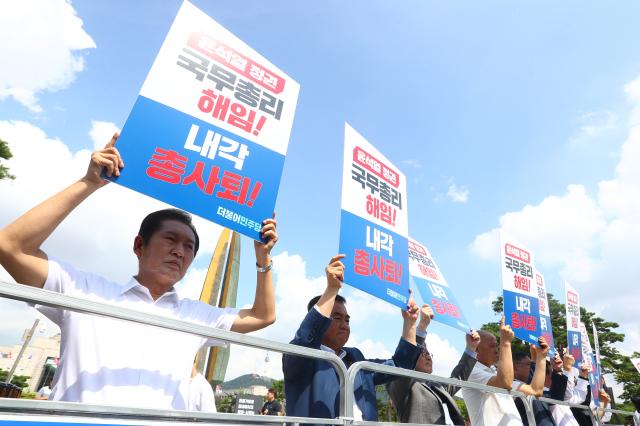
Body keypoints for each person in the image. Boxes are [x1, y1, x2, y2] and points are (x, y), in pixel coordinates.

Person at [0, 134, 279, 410]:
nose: (180, 251)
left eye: (189, 247)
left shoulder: (197, 316)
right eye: (170, 239)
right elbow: (11, 247)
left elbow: (262, 316)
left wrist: (263, 258)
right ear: (139, 245)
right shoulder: (83, 290)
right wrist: (89, 183)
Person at [282, 254, 421, 422]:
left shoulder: (355, 358)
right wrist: (332, 289)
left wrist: (410, 323)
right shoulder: (301, 357)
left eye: (347, 320)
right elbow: (306, 338)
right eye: (336, 318)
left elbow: (400, 365)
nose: (344, 325)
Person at [387, 304, 480, 425]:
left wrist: (471, 348)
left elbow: (458, 379)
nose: (428, 357)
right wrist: (422, 326)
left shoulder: (437, 386)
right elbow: (407, 357)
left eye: (429, 353)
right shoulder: (402, 385)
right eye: (423, 353)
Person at [461, 317, 523, 426]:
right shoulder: (471, 371)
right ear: (476, 349)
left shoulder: (494, 373)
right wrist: (505, 342)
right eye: (492, 346)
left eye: (497, 345)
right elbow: (505, 383)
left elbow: (535, 390)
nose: (497, 349)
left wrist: (540, 356)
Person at [512, 343, 565, 426]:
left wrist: (557, 370)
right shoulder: (511, 386)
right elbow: (534, 389)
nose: (533, 367)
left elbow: (556, 398)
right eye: (529, 364)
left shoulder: (533, 388)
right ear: (514, 367)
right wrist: (539, 356)